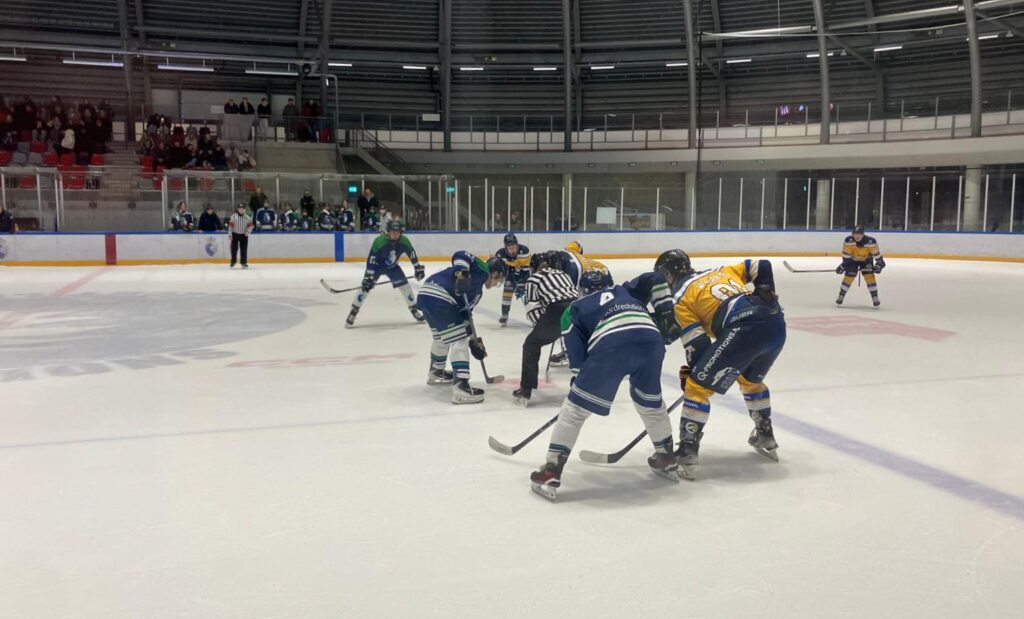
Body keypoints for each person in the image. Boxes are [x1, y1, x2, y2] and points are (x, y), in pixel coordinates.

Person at [530, 275, 678, 500]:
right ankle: (666, 457)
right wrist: (667, 313)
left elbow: (577, 356)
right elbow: (656, 278)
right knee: (650, 402)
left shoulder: (574, 308)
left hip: (612, 345)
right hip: (651, 340)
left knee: (574, 410)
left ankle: (552, 470)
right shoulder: (624, 291)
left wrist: (579, 379)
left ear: (582, 289)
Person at [656, 250, 786, 480]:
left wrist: (696, 374)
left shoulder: (681, 299)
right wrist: (765, 290)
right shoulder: (721, 270)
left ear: (668, 275)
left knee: (697, 388)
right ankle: (765, 433)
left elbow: (697, 344)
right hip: (775, 323)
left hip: (743, 329)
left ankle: (687, 451)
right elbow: (761, 264)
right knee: (749, 380)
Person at [416, 252, 506, 404]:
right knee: (459, 340)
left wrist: (474, 341)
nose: (498, 283)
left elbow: (464, 316)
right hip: (440, 297)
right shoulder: (483, 270)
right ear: (496, 272)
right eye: (500, 278)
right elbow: (461, 255)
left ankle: (436, 372)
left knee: (442, 338)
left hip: (426, 296)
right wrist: (462, 274)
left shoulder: (477, 293)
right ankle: (461, 387)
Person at [512, 251, 578, 406]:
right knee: (577, 345)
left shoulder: (533, 279)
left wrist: (542, 329)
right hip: (578, 308)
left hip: (557, 310)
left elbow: (533, 310)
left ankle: (526, 389)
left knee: (531, 345)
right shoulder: (563, 274)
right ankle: (581, 384)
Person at [346, 220, 426, 328]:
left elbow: (411, 253)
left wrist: (417, 268)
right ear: (388, 231)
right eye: (392, 232)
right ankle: (353, 311)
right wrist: (368, 277)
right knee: (365, 288)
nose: (394, 234)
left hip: (392, 267)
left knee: (406, 287)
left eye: (397, 232)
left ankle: (413, 309)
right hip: (376, 267)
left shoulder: (404, 241)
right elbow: (371, 260)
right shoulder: (379, 241)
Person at [835, 225, 886, 308]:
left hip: (866, 260)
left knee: (869, 276)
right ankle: (841, 295)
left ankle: (875, 297)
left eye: (859, 234)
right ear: (852, 234)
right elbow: (846, 258)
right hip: (852, 260)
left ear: (863, 234)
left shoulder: (871, 242)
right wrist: (843, 266)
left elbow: (879, 259)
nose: (857, 236)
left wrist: (879, 265)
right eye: (855, 233)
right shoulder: (848, 241)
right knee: (849, 275)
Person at [495, 232, 531, 327]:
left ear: (517, 244)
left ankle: (533, 316)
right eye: (510, 248)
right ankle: (505, 315)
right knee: (507, 294)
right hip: (510, 275)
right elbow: (501, 270)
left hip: (524, 275)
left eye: (514, 247)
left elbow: (525, 270)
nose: (513, 250)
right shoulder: (500, 254)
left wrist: (521, 284)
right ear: (505, 247)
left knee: (527, 297)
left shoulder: (524, 250)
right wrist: (501, 278)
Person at [227, 203, 254, 268]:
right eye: (240, 208)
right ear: (238, 209)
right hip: (235, 234)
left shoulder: (248, 217)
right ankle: (233, 261)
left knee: (244, 249)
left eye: (243, 209)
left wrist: (248, 231)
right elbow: (230, 227)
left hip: (244, 235)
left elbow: (251, 226)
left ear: (245, 210)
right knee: (234, 249)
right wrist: (230, 235)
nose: (241, 210)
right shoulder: (233, 217)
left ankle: (243, 263)